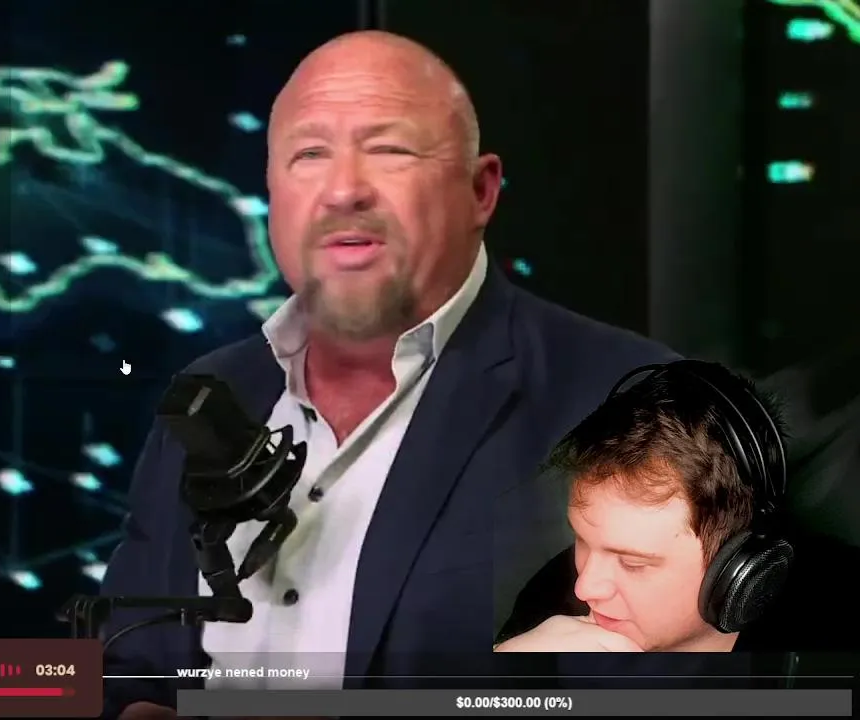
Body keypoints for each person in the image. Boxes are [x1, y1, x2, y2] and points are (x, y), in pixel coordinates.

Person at [100, 31, 676, 720]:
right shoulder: (208, 396)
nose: (344, 189)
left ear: (481, 190)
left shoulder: (640, 407)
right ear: (273, 193)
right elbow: (127, 668)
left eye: (390, 150)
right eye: (310, 154)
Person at [495, 360, 860, 655]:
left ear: (738, 565)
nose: (585, 587)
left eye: (633, 563)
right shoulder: (548, 597)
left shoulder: (839, 624)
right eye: (582, 540)